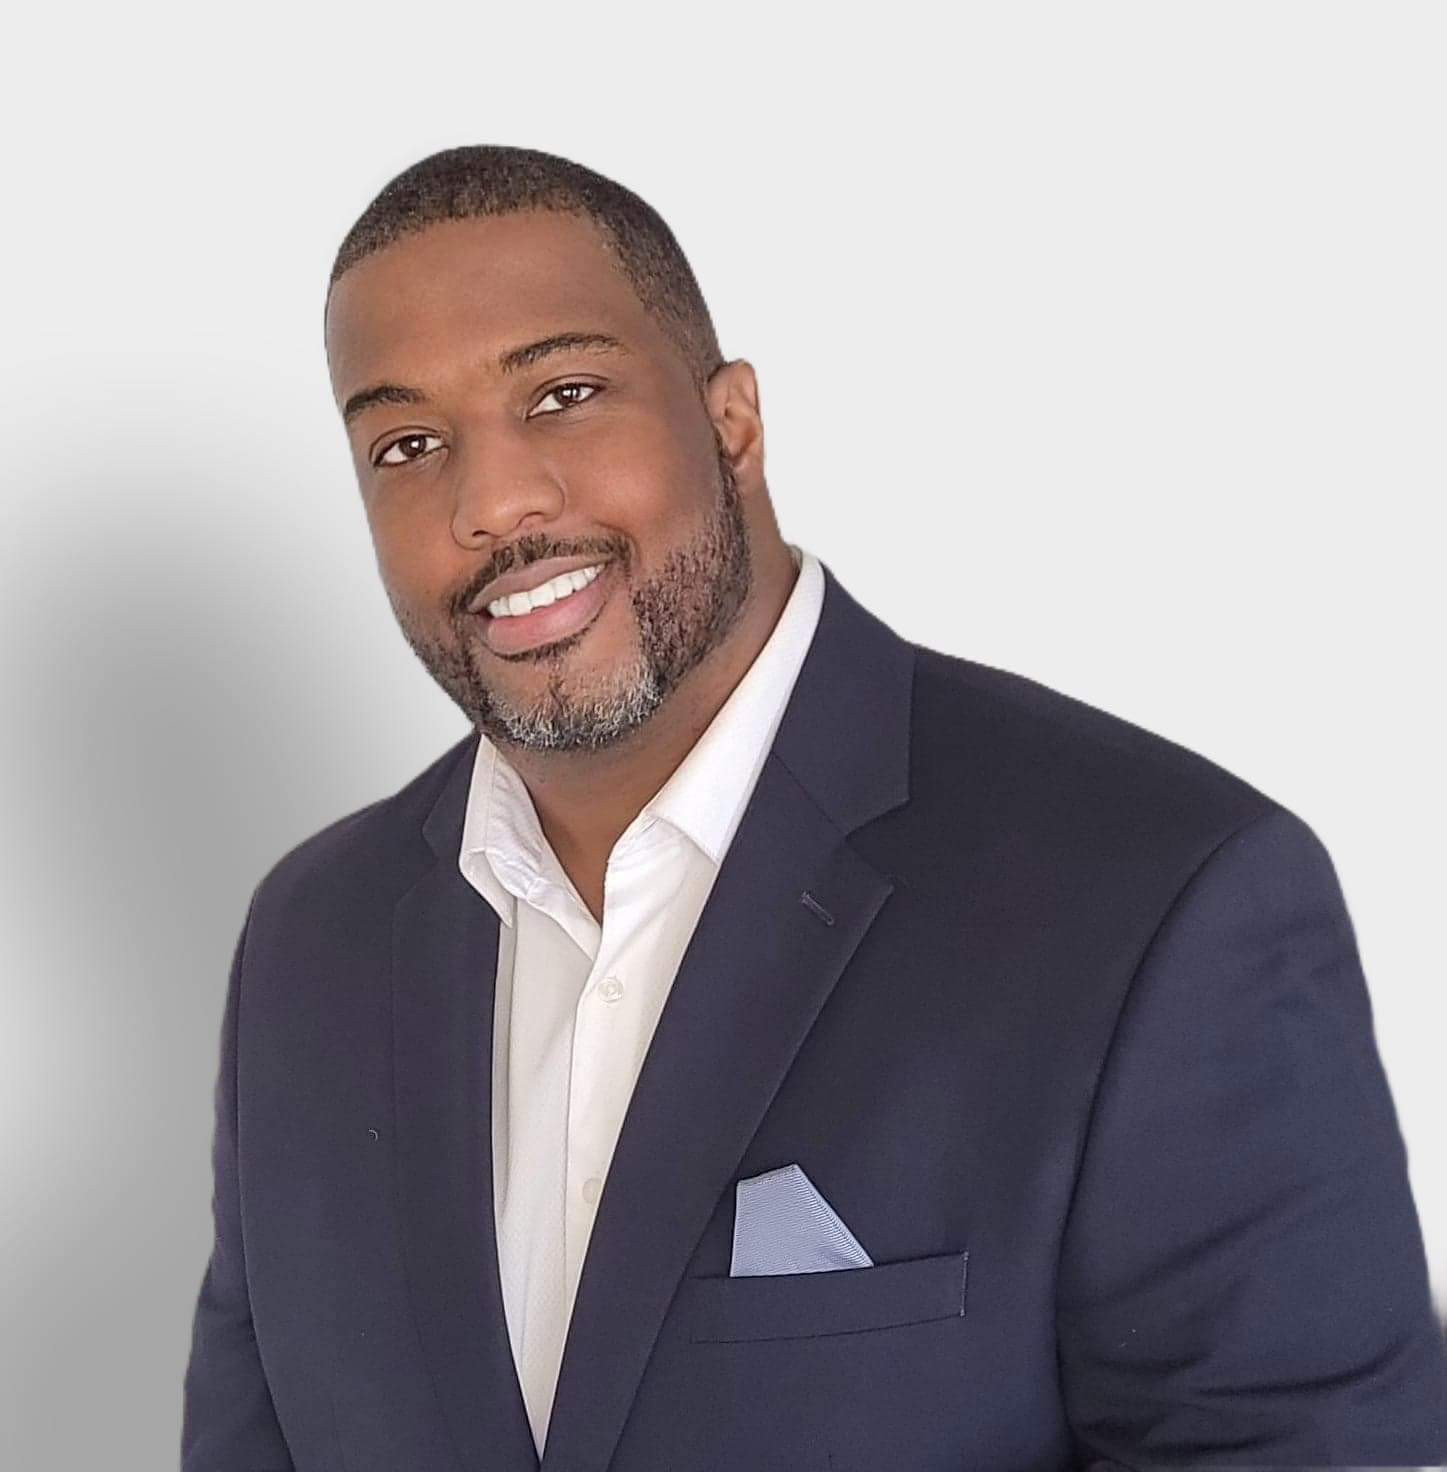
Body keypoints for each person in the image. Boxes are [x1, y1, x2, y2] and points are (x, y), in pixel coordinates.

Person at [180, 145, 1447, 1471]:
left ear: (732, 424)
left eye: (564, 394)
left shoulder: (1162, 900)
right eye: (407, 444)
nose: (491, 502)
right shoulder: (310, 947)